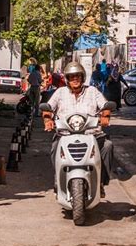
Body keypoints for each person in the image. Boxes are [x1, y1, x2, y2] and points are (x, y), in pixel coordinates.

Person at [42, 61, 113, 197]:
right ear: (67, 79)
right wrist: (48, 120)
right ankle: (58, 178)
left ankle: (101, 183)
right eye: (71, 77)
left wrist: (105, 117)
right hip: (65, 134)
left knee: (108, 146)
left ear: (83, 77)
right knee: (54, 148)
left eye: (78, 76)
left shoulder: (92, 91)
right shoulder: (60, 92)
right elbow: (48, 108)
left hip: (91, 134)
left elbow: (106, 106)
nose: (75, 79)